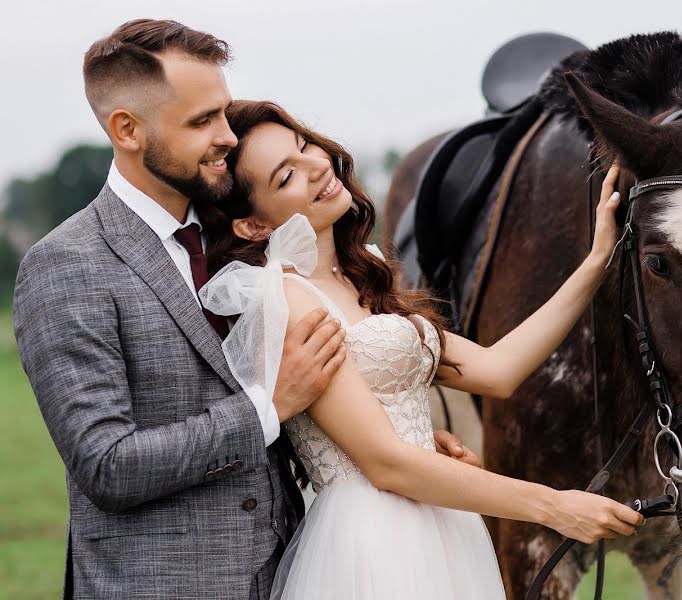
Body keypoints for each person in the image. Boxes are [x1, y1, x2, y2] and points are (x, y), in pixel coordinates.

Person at [13, 19, 476, 599]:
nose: (228, 136)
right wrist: (269, 407)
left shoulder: (245, 244)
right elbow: (108, 464)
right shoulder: (67, 264)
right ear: (127, 130)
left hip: (292, 575)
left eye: (223, 113)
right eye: (202, 120)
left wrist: (393, 440)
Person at [198, 100, 644, 599]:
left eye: (306, 148)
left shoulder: (360, 273)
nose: (318, 165)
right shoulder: (291, 299)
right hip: (374, 541)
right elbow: (386, 462)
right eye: (286, 177)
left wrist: (597, 260)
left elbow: (498, 369)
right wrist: (553, 506)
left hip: (440, 520)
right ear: (252, 226)